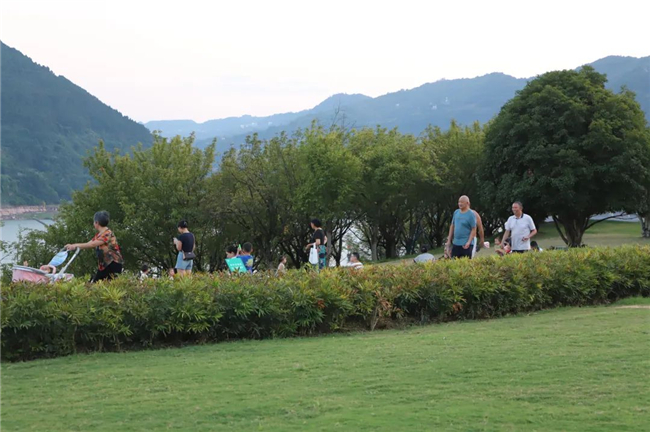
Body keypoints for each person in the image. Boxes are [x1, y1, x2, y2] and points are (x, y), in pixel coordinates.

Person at [65, 210, 123, 282]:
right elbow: (89, 243)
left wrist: (75, 246)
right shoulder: (99, 234)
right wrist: (73, 245)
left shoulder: (107, 233)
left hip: (113, 264)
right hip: (104, 265)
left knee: (104, 285)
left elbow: (92, 244)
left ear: (97, 223)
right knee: (97, 284)